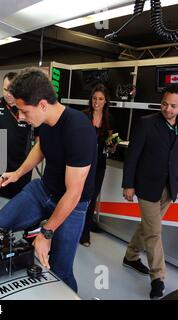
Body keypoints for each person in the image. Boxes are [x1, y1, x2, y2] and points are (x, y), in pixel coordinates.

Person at [0, 67, 97, 292]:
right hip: (43, 191)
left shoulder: (79, 129)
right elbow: (41, 148)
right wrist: (18, 173)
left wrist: (46, 233)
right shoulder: (43, 121)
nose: (21, 117)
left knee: (60, 271)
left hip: (72, 204)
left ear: (43, 105)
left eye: (24, 111)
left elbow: (73, 193)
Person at [122, 84, 178, 299]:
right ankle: (158, 278)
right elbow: (133, 156)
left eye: (173, 106)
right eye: (165, 103)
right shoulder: (146, 124)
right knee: (154, 232)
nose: (168, 109)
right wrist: (128, 184)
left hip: (169, 188)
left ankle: (131, 256)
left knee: (148, 226)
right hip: (146, 186)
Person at [80, 84, 116, 247]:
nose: (97, 102)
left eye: (100, 99)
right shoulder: (83, 116)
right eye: (94, 98)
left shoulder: (109, 120)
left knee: (92, 198)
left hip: (99, 164)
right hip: (81, 163)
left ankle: (85, 233)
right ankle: (71, 229)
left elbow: (111, 145)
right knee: (77, 196)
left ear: (105, 100)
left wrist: (111, 145)